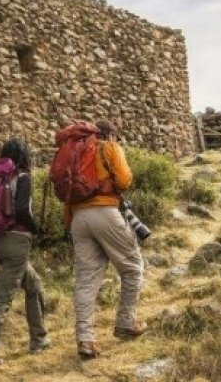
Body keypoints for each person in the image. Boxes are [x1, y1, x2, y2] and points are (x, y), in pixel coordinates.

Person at [0, 138, 50, 367]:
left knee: (34, 285)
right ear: (24, 156)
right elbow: (23, 210)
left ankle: (39, 338)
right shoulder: (22, 178)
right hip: (17, 242)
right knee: (3, 298)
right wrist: (37, 229)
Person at [70, 120, 146, 359]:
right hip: (105, 212)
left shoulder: (76, 153)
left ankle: (85, 340)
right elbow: (123, 181)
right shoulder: (110, 148)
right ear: (110, 134)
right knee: (133, 268)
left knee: (85, 280)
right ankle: (125, 323)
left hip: (78, 218)